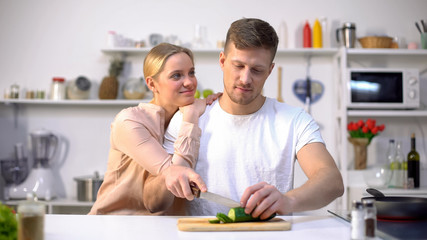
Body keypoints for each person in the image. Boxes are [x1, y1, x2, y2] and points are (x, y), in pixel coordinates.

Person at [163, 18, 344, 219]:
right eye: (238, 66)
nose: (245, 79)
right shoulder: (187, 120)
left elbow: (332, 181)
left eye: (257, 70)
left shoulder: (294, 120)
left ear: (270, 70)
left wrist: (288, 201)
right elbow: (159, 196)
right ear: (222, 61)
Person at [89, 43, 218, 215]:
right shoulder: (129, 122)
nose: (189, 82)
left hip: (163, 228)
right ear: (152, 84)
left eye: (191, 73)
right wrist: (191, 116)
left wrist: (217, 106)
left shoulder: (187, 115)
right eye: (176, 75)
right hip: (114, 225)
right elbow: (175, 176)